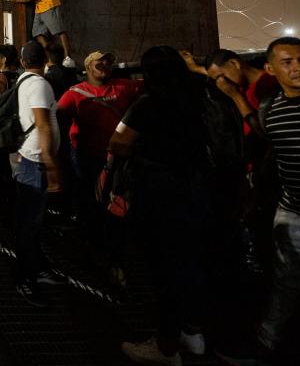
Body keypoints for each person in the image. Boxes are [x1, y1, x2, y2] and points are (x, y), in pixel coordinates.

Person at [217, 37, 300, 365]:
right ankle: (265, 347)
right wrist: (236, 96)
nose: (299, 68)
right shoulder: (271, 108)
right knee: (283, 288)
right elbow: (261, 132)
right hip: (293, 214)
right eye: (288, 62)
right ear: (270, 69)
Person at [108, 45, 212, 365]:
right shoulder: (202, 100)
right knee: (190, 262)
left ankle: (165, 347)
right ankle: (193, 333)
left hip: (158, 192)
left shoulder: (148, 105)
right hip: (197, 189)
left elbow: (119, 143)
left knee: (161, 269)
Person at [57, 51, 143, 250]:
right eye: (100, 62)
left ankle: (113, 241)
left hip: (117, 158)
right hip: (87, 157)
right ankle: (92, 240)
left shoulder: (124, 87)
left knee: (116, 200)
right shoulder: (74, 94)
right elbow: (59, 120)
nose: (105, 65)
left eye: (108, 62)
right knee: (89, 199)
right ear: (87, 67)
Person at [12, 41, 64, 305]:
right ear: (44, 60)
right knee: (29, 225)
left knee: (30, 223)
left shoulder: (24, 82)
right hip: (36, 163)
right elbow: (42, 124)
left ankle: (37, 268)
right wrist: (51, 164)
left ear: (22, 62)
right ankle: (25, 279)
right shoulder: (39, 85)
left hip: (30, 160)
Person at [2, 0, 74, 67]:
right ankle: (51, 58)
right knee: (37, 33)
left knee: (59, 31)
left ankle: (68, 59)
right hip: (40, 5)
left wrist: (15, 0)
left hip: (49, 2)